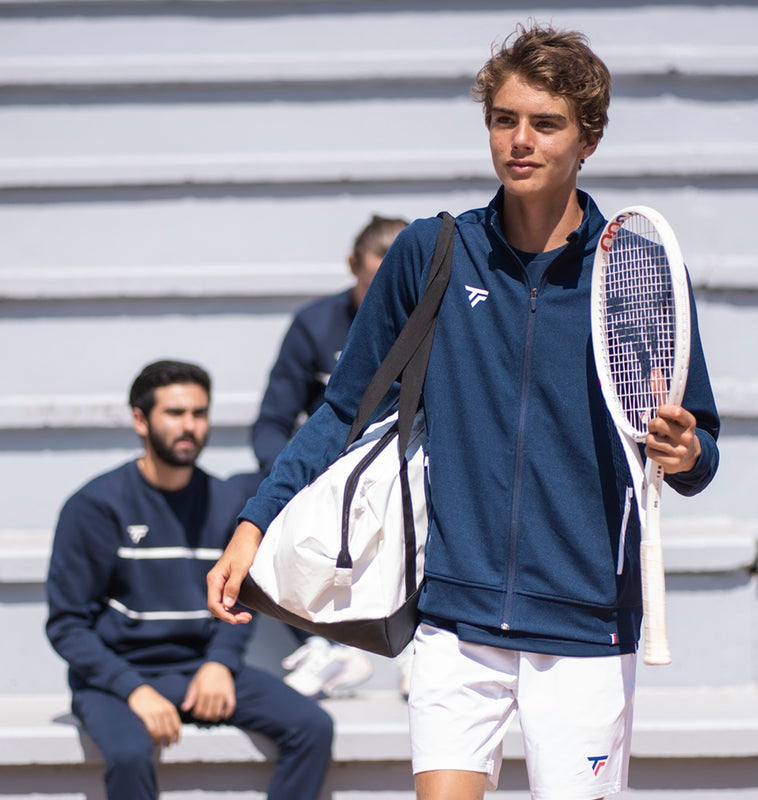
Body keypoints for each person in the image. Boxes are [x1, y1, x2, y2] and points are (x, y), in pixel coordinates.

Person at [208, 23, 720, 800]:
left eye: (545, 124)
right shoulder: (431, 253)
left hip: (587, 623)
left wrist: (686, 454)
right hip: (453, 615)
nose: (520, 140)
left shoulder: (637, 269)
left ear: (588, 140)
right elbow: (344, 409)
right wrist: (254, 523)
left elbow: (697, 450)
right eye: (504, 119)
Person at [46, 360, 333, 800]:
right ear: (140, 419)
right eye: (175, 413)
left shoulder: (226, 502)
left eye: (199, 413)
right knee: (129, 754)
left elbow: (238, 598)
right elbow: (67, 625)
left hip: (199, 669)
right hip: (116, 677)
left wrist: (219, 663)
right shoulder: (95, 507)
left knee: (312, 727)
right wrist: (133, 689)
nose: (190, 426)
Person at [251, 214, 409, 699]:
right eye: (375, 270)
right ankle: (323, 646)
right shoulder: (315, 324)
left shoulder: (441, 320)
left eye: (397, 269)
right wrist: (289, 481)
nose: (386, 285)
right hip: (328, 472)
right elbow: (271, 422)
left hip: (406, 468)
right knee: (245, 499)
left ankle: (422, 645)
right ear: (352, 264)